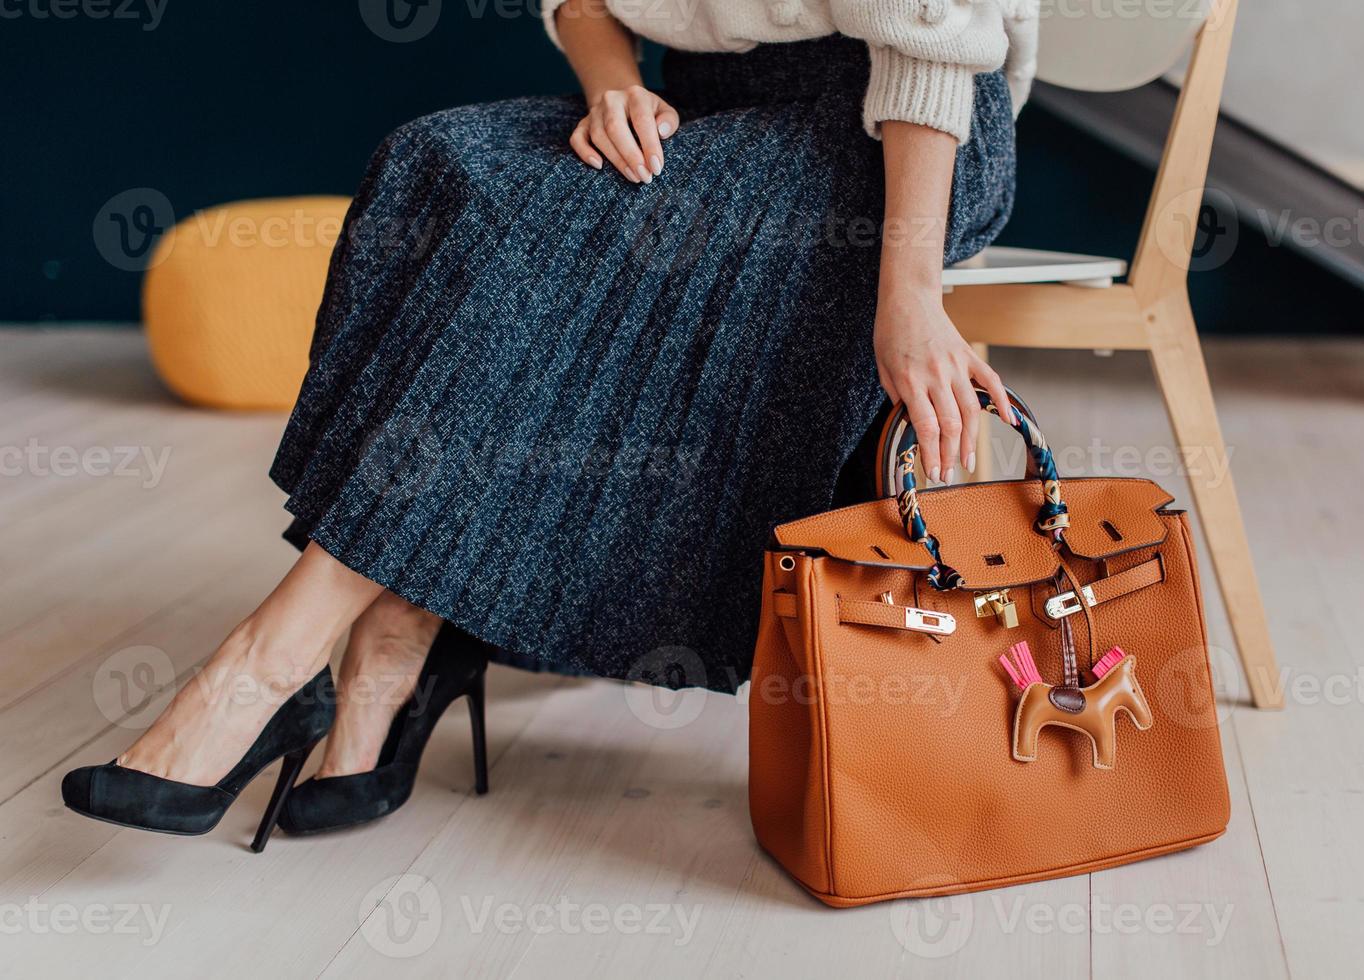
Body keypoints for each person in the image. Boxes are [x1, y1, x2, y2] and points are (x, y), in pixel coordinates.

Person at [61, 0, 1035, 846]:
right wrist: (612, 84)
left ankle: (271, 656)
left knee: (581, 229)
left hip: (894, 137)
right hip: (711, 114)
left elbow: (934, 38)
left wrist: (908, 295)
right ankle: (398, 626)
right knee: (441, 164)